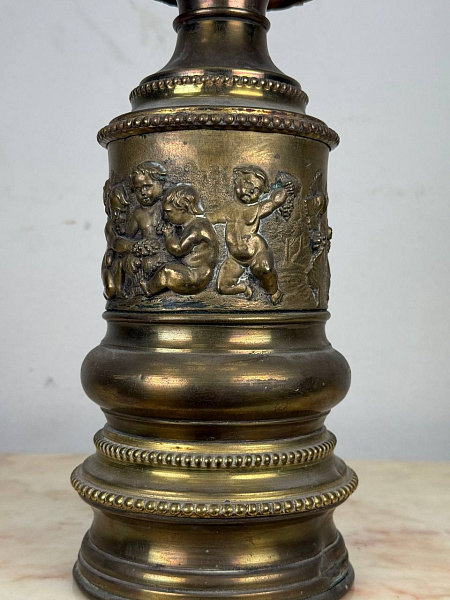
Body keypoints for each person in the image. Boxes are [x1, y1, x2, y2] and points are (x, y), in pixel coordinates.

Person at [207, 165, 293, 304]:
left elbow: (274, 202)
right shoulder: (229, 209)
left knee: (264, 269)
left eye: (257, 190)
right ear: (237, 181)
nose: (252, 190)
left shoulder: (256, 208)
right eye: (248, 184)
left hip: (256, 251)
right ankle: (243, 288)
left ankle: (274, 292)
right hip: (235, 258)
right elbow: (212, 217)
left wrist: (284, 190)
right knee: (222, 287)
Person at [140, 183, 219, 296]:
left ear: (183, 209)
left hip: (195, 277)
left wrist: (168, 235)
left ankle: (149, 289)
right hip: (193, 272)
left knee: (166, 271)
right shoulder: (196, 224)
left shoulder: (197, 229)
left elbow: (178, 249)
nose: (165, 217)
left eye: (169, 212)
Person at [122, 161, 167, 278]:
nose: (143, 192)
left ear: (161, 184)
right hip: (144, 252)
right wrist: (135, 247)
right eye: (138, 189)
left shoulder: (167, 207)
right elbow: (126, 236)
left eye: (147, 187)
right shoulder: (138, 213)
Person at [101, 183, 130, 299]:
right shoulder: (110, 226)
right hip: (109, 266)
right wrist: (133, 246)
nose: (117, 216)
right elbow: (115, 243)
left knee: (119, 263)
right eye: (114, 211)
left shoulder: (129, 224)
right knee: (110, 291)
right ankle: (117, 291)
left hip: (120, 264)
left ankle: (120, 290)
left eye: (121, 212)